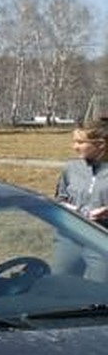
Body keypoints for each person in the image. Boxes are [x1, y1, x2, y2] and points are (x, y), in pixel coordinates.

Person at [54, 120, 108, 279]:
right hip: (69, 237)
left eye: (80, 142)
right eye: (74, 141)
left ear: (101, 144)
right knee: (59, 283)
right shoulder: (71, 168)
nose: (74, 146)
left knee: (97, 290)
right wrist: (68, 208)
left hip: (101, 240)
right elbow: (59, 198)